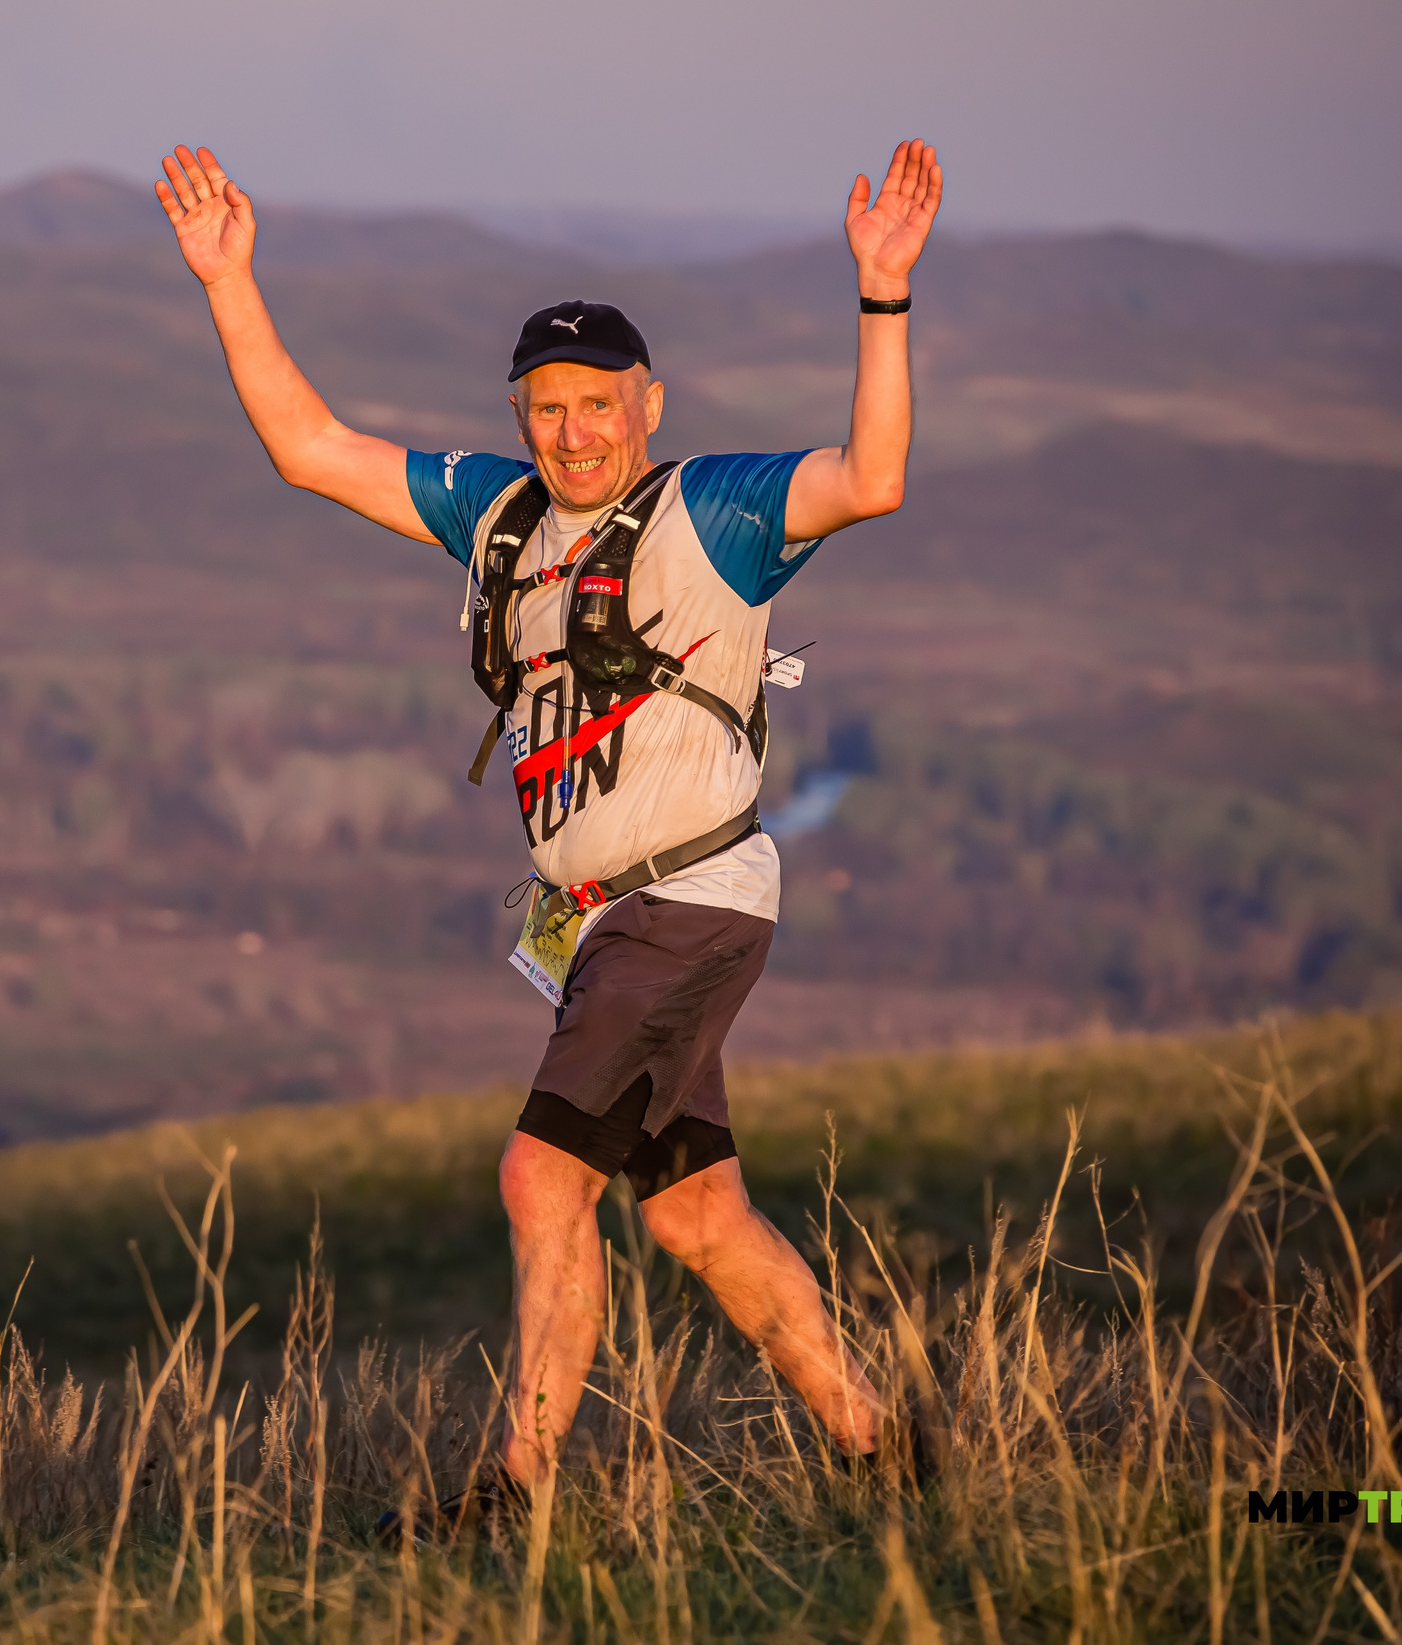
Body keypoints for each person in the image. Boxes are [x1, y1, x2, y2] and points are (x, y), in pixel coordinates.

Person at [154, 139, 943, 1507]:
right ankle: (883, 1451)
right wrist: (230, 279)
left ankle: (509, 1495)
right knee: (694, 1213)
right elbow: (311, 452)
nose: (571, 433)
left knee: (539, 1178)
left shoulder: (717, 510)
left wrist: (883, 298)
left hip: (688, 900)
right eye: (545, 410)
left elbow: (870, 478)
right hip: (600, 926)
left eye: (594, 405)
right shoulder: (500, 516)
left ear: (647, 404)